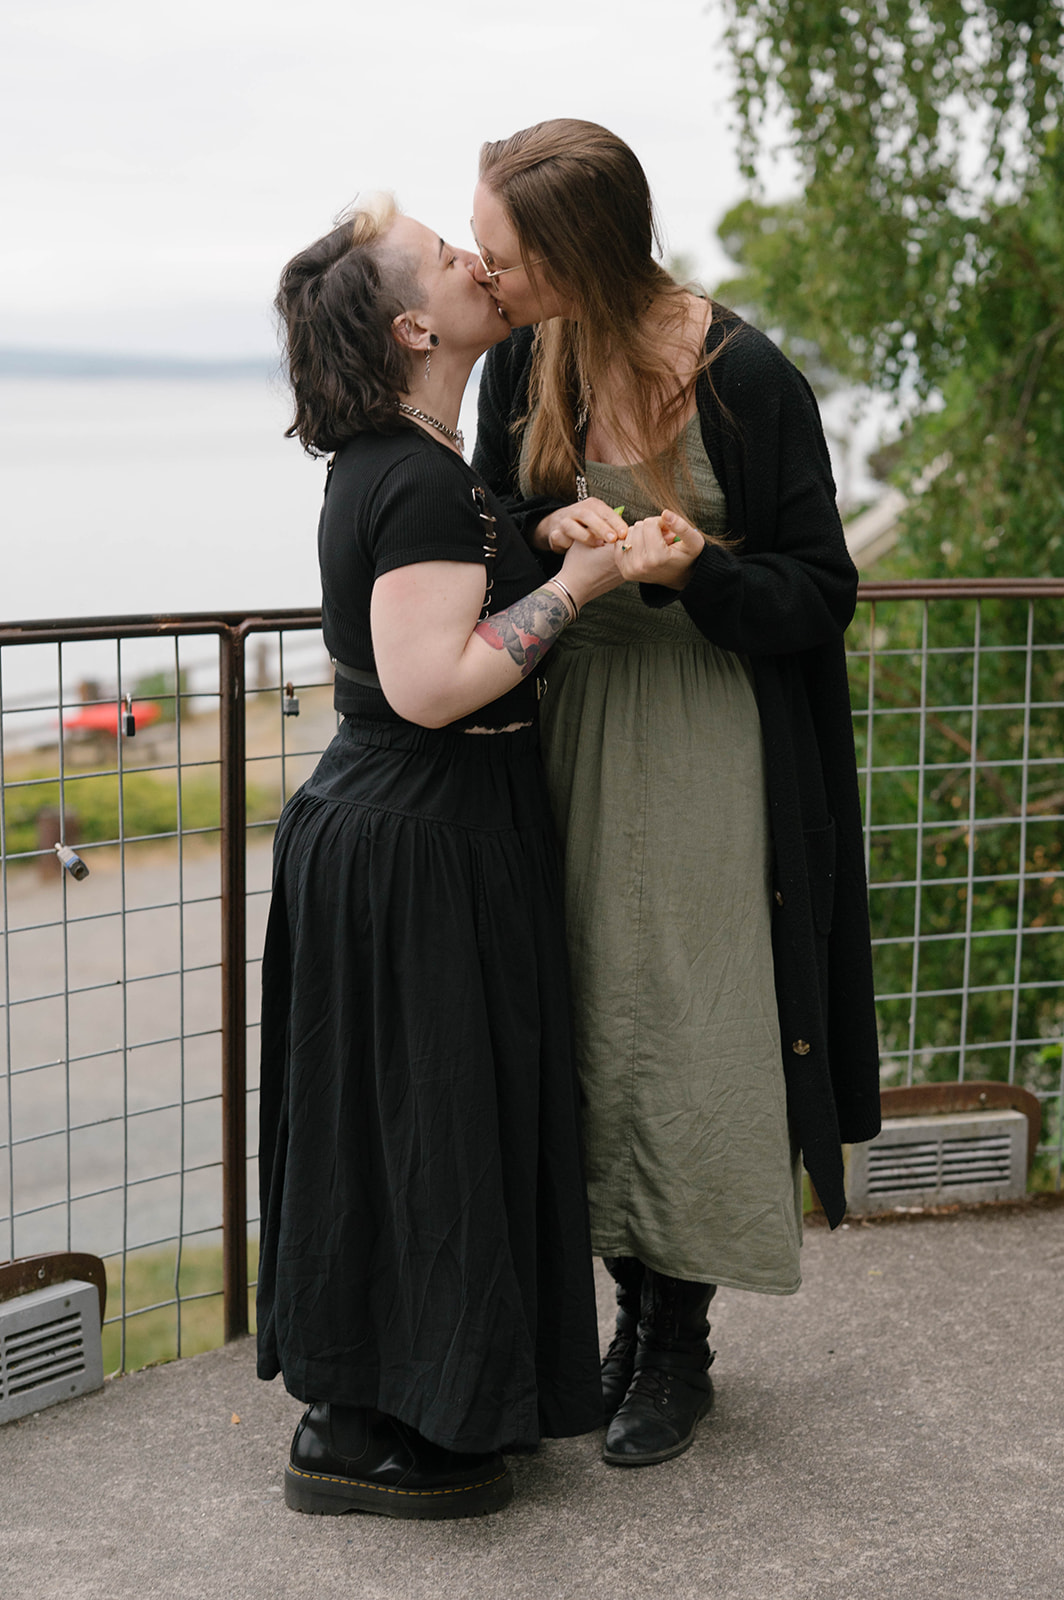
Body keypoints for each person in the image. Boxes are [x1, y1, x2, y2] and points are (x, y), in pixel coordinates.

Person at [470, 120, 882, 1470]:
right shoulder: (524, 361)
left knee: (691, 1034)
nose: (491, 278)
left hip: (711, 742)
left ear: (579, 255)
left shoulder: (745, 376)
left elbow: (822, 593)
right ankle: (624, 1323)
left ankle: (675, 1346)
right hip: (565, 731)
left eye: (510, 257)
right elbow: (481, 519)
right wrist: (545, 526)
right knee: (592, 1023)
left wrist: (693, 564)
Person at [257, 194, 622, 1519]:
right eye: (445, 256)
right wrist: (581, 586)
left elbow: (441, 582)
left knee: (406, 1128)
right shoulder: (410, 472)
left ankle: (394, 1406)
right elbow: (427, 681)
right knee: (426, 1131)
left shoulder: (410, 458)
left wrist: (530, 537)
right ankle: (380, 1430)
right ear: (417, 324)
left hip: (409, 831)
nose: (477, 262)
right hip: (416, 833)